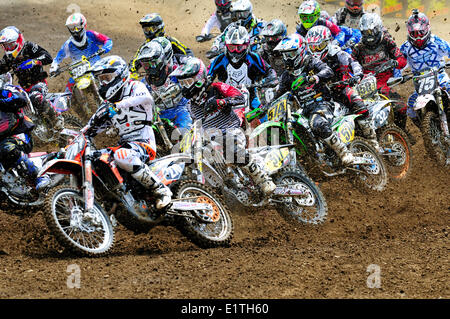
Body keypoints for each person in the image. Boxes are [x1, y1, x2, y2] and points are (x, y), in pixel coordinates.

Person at [170, 57, 277, 194]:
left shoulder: (216, 88)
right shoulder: (190, 104)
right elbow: (195, 124)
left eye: (188, 82)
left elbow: (241, 98)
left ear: (199, 79)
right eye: (182, 83)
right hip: (210, 139)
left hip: (231, 130)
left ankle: (263, 179)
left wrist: (222, 102)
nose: (185, 86)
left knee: (231, 147)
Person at [86, 55, 172, 210]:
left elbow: (146, 99)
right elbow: (91, 126)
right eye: (101, 80)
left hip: (143, 143)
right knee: (96, 158)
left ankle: (160, 190)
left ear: (119, 75)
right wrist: (82, 134)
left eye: (107, 78)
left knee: (121, 155)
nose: (103, 83)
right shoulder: (108, 105)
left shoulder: (134, 87)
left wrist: (115, 107)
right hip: (125, 146)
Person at [274, 33, 357, 166]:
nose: (287, 58)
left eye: (290, 54)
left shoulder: (311, 62)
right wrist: (262, 109)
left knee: (317, 123)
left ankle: (344, 152)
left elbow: (328, 71)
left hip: (323, 103)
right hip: (304, 109)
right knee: (296, 128)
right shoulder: (286, 75)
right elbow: (278, 95)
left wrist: (313, 78)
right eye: (285, 55)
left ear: (300, 51)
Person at [306, 25, 381, 152]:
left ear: (327, 43)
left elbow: (353, 62)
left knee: (354, 100)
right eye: (312, 46)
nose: (315, 50)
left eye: (318, 46)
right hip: (323, 96)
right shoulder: (309, 60)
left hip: (342, 88)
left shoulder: (336, 53)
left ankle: (373, 141)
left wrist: (357, 74)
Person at [351, 13, 412, 141]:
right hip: (365, 86)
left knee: (401, 107)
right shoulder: (358, 48)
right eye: (366, 32)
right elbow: (349, 64)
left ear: (378, 28)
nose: (369, 35)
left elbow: (402, 59)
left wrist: (395, 62)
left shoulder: (386, 41)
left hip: (385, 83)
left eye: (371, 31)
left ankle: (402, 131)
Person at [208, 25, 278, 123]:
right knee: (212, 120)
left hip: (251, 96)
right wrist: (207, 83)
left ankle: (273, 135)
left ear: (246, 45)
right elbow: (208, 75)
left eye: (240, 47)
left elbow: (269, 71)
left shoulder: (254, 58)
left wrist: (270, 79)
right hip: (226, 98)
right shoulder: (219, 59)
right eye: (232, 47)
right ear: (226, 46)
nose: (236, 51)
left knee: (265, 117)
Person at [0, 26, 62, 129]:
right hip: (24, 90)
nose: (8, 49)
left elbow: (48, 57)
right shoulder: (8, 58)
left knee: (35, 96)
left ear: (18, 41)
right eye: (5, 46)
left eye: (10, 45)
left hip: (39, 83)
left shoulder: (28, 47)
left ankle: (57, 118)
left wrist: (34, 61)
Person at [400, 9, 450, 126]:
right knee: (410, 107)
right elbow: (399, 66)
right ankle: (426, 130)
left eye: (421, 32)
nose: (418, 37)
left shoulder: (436, 41)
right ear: (409, 32)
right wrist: (395, 76)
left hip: (439, 76)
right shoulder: (406, 48)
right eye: (414, 33)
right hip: (420, 83)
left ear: (427, 29)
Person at [0, 80, 50, 190]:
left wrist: (3, 101)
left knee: (7, 148)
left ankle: (39, 176)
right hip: (3, 141)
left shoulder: (6, 91)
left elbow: (21, 98)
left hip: (19, 135)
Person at [134, 38, 192, 131]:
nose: (149, 68)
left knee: (184, 133)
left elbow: (198, 80)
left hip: (181, 110)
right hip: (158, 116)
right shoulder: (144, 83)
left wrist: (182, 88)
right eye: (145, 65)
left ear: (162, 60)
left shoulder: (179, 72)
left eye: (152, 63)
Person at [49, 13, 113, 94]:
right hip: (79, 72)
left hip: (97, 67)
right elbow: (57, 58)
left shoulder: (91, 35)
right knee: (68, 92)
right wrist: (53, 68)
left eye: (77, 27)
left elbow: (108, 40)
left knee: (111, 78)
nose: (75, 31)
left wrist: (104, 49)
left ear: (83, 25)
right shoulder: (68, 44)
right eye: (72, 28)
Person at [129, 13, 194, 79]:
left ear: (160, 27)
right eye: (146, 30)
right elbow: (135, 61)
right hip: (155, 77)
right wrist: (132, 71)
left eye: (153, 28)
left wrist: (190, 64)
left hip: (173, 73)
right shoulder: (146, 46)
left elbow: (187, 52)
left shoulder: (170, 40)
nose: (149, 32)